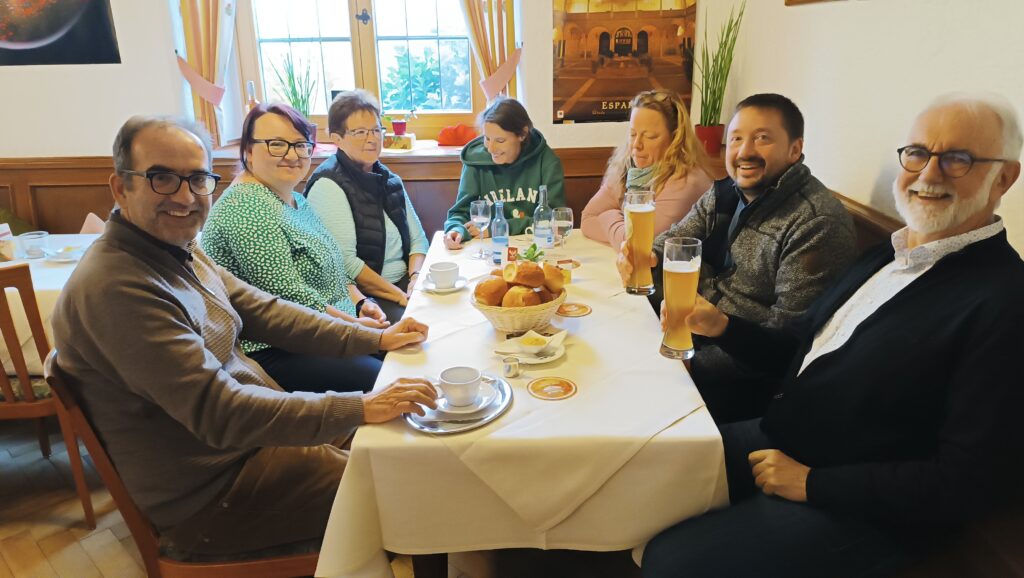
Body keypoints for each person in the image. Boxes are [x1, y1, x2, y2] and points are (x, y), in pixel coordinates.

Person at [642, 94, 1024, 578]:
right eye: (918, 153)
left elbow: (968, 480)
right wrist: (722, 326)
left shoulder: (1004, 300)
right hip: (784, 436)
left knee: (670, 563)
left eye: (957, 159)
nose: (929, 174)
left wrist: (812, 483)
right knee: (646, 466)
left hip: (864, 507)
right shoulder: (890, 257)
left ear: (1004, 178)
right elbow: (798, 347)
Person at [51, 116, 437, 560]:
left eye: (197, 179)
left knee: (411, 448)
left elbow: (266, 311)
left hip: (253, 448)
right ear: (121, 187)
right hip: (215, 495)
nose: (185, 197)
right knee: (413, 484)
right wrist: (360, 406)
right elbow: (219, 410)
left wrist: (376, 339)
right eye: (162, 178)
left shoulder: (176, 249)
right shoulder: (118, 287)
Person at [619, 93, 857, 423]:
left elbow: (788, 347)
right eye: (736, 139)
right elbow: (673, 240)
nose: (745, 151)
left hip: (742, 388)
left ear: (795, 149)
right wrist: (647, 258)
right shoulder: (724, 192)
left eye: (762, 138)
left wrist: (691, 365)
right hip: (690, 342)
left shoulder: (816, 224)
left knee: (622, 405)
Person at [201, 103, 389, 394]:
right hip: (277, 347)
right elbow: (290, 299)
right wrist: (359, 331)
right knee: (388, 378)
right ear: (248, 151)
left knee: (413, 352)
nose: (292, 155)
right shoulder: (245, 205)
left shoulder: (295, 199)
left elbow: (335, 264)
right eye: (276, 144)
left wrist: (361, 302)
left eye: (301, 145)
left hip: (330, 328)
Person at [305, 90, 430, 322]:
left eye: (376, 130)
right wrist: (402, 297)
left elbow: (418, 240)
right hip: (365, 299)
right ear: (337, 139)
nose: (372, 138)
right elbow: (346, 263)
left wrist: (416, 278)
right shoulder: (328, 185)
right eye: (360, 132)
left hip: (404, 285)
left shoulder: (389, 179)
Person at [581, 89, 712, 249]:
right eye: (632, 134)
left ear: (675, 138)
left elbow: (638, 243)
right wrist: (622, 230)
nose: (636, 144)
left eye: (650, 136)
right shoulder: (629, 168)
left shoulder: (686, 180)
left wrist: (609, 216)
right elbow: (587, 219)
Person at [443, 96, 566, 249]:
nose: (490, 149)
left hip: (535, 247)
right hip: (488, 249)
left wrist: (500, 227)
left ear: (522, 134)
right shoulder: (475, 161)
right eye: (487, 138)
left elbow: (554, 221)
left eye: (500, 141)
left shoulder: (547, 162)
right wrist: (456, 229)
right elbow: (460, 213)